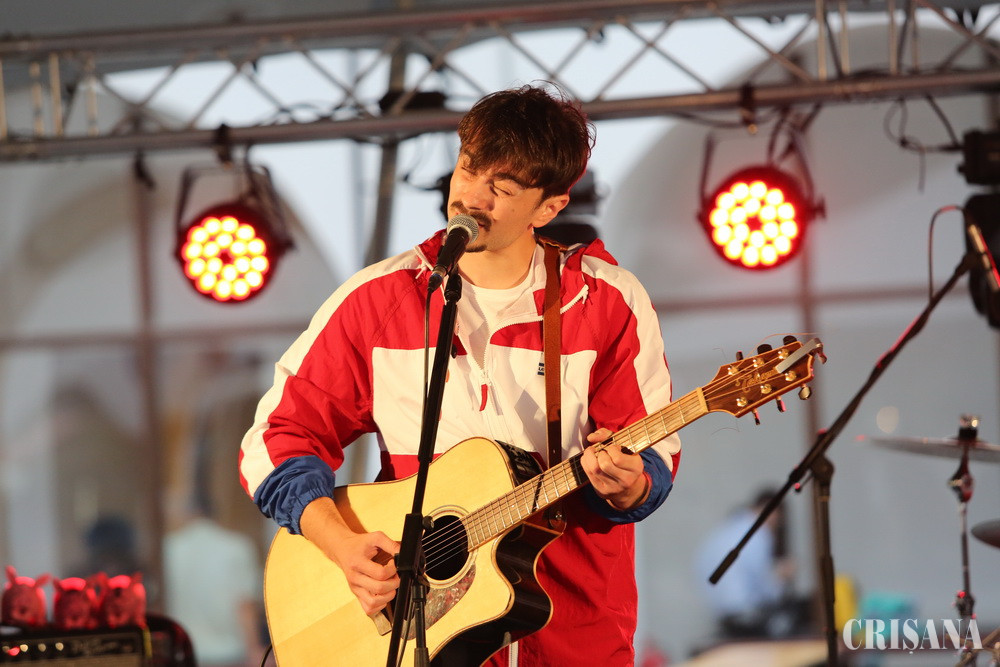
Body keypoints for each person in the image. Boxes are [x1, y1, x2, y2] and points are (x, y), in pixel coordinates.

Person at [238, 83, 681, 665]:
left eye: (503, 188)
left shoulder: (607, 301)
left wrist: (630, 484)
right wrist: (342, 545)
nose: (472, 197)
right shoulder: (378, 301)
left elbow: (653, 455)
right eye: (468, 168)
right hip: (418, 639)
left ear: (549, 208)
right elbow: (275, 439)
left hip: (573, 636)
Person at [694, 488, 810, 641]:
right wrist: (781, 577)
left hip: (721, 613)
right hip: (745, 615)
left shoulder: (727, 528)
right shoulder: (759, 534)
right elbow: (765, 590)